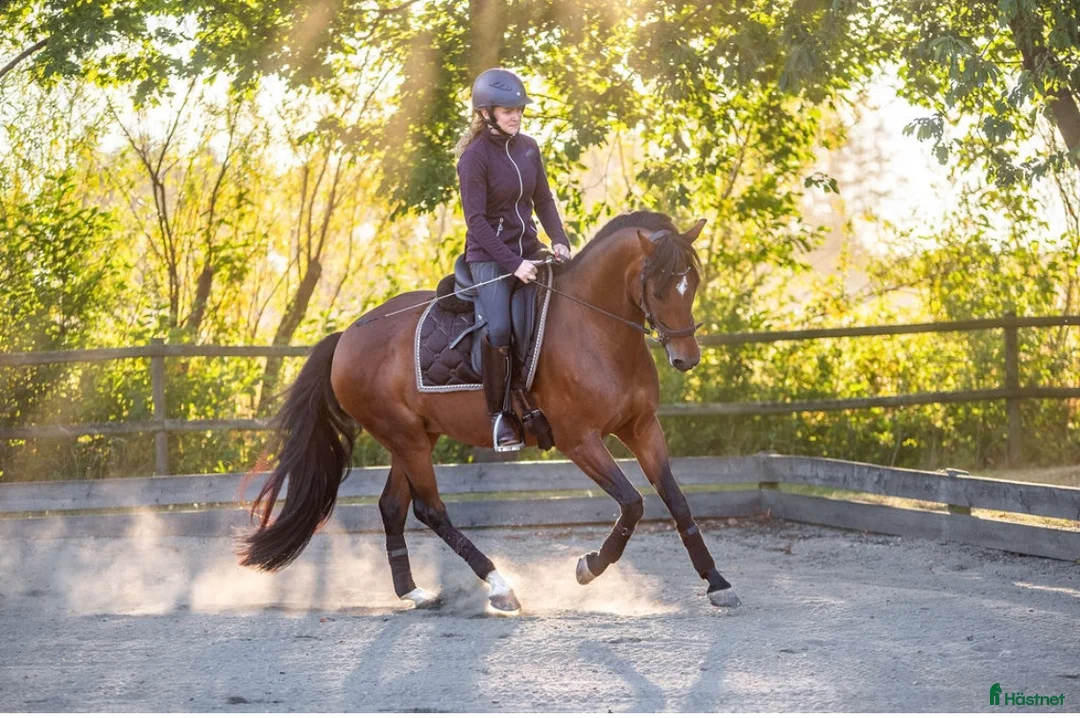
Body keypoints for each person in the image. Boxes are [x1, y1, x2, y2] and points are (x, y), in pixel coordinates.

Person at [454, 68, 573, 452]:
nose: (515, 116)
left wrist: (559, 239)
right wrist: (512, 264)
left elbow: (543, 200)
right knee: (501, 328)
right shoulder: (473, 159)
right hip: (489, 258)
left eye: (519, 110)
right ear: (486, 113)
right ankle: (501, 413)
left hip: (530, 249)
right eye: (507, 111)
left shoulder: (528, 147)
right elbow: (476, 223)